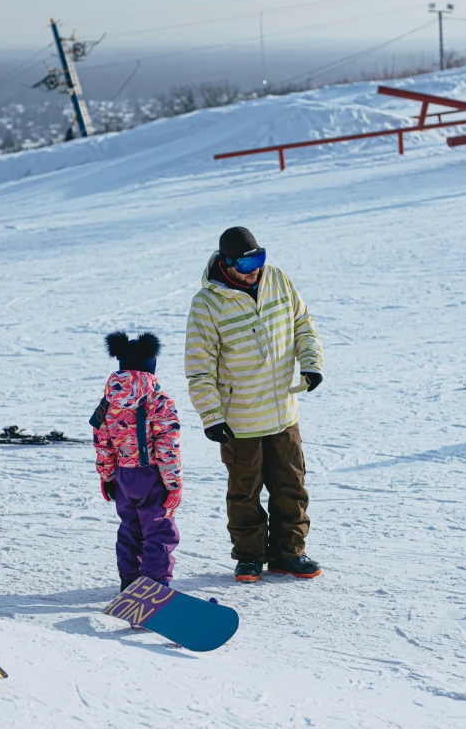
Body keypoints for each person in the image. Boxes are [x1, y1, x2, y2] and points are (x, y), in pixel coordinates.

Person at [185, 227, 323, 583]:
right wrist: (211, 415)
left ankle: (289, 554)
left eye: (259, 259)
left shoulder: (277, 279)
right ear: (228, 263)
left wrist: (311, 362)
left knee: (291, 485)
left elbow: (303, 324)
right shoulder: (207, 303)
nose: (255, 270)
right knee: (244, 490)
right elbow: (199, 367)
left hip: (283, 410)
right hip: (239, 417)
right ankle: (249, 557)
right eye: (246, 264)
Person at [91, 331, 182, 590]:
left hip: (123, 476)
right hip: (152, 476)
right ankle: (154, 587)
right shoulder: (160, 401)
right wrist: (173, 485)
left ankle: (129, 581)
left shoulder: (108, 401)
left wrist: (107, 476)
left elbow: (102, 441)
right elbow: (168, 447)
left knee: (130, 529)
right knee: (159, 530)